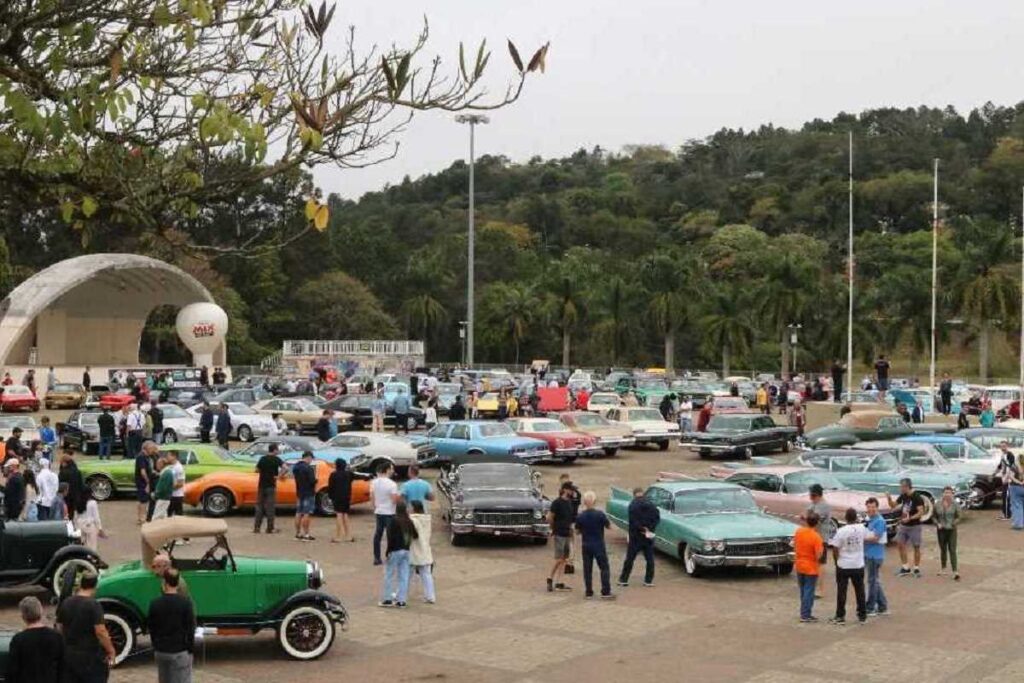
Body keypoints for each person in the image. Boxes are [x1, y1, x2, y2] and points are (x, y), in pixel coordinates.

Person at [56, 572, 117, 683]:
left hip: (70, 654)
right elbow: (101, 631)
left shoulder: (67, 602)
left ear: (81, 584)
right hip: (90, 656)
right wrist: (111, 650)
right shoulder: (93, 605)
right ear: (95, 586)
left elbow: (60, 627)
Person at [147, 568, 196, 683]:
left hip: (161, 651)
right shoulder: (186, 603)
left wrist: (156, 645)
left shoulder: (155, 603)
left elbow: (151, 627)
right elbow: (190, 628)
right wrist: (190, 648)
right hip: (180, 650)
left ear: (164, 582)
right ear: (178, 583)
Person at [6, 595, 63, 683]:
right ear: (41, 612)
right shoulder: (56, 637)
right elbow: (63, 667)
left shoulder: (18, 640)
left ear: (23, 616)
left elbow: (12, 671)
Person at [828, 507, 868, 625]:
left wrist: (837, 561)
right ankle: (862, 615)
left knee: (842, 591)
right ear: (856, 518)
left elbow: (835, 548)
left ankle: (840, 616)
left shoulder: (841, 531)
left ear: (845, 518)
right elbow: (866, 538)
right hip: (858, 564)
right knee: (860, 590)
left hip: (844, 564)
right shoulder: (862, 529)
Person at [574, 490, 615, 600]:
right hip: (598, 544)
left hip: (586, 544)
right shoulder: (600, 515)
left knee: (587, 569)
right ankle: (605, 591)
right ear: (594, 501)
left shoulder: (580, 516)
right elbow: (609, 527)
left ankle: (589, 591)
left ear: (584, 502)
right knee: (604, 568)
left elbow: (577, 532)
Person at [618, 487, 660, 587]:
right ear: (643, 493)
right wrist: (649, 528)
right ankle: (648, 580)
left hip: (636, 536)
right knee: (649, 558)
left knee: (630, 558)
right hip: (648, 536)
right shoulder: (652, 505)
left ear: (634, 494)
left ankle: (624, 579)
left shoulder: (633, 505)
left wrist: (641, 528)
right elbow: (657, 518)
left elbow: (633, 521)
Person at [379, 501, 417, 608]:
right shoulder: (409, 521)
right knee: (403, 576)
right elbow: (415, 535)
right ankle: (401, 600)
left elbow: (390, 538)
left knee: (389, 574)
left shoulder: (394, 521)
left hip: (395, 550)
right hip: (406, 550)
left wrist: (388, 551)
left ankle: (387, 599)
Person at [886, 478, 926, 577]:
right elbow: (892, 506)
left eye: (901, 486)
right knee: (900, 544)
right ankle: (905, 567)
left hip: (915, 526)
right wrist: (889, 498)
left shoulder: (917, 497)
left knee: (916, 546)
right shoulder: (903, 496)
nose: (900, 488)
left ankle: (916, 568)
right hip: (904, 525)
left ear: (906, 486)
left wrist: (911, 518)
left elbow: (921, 512)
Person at [794, 511, 824, 623]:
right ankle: (806, 614)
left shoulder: (799, 532)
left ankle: (804, 612)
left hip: (799, 565)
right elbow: (818, 555)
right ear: (817, 524)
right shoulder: (816, 537)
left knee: (803, 590)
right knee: (809, 592)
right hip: (811, 567)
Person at [547, 483, 575, 592]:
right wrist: (552, 528)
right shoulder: (557, 503)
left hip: (567, 533)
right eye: (571, 490)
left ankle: (559, 581)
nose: (572, 492)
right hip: (559, 533)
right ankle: (550, 577)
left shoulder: (569, 503)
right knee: (559, 558)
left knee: (564, 558)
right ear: (565, 490)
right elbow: (550, 517)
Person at [863, 497, 889, 617]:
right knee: (874, 581)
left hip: (875, 555)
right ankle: (882, 606)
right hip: (869, 554)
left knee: (872, 581)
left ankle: (871, 607)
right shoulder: (871, 520)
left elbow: (876, 538)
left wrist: (862, 538)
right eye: (869, 507)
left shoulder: (879, 521)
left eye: (873, 507)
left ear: (877, 507)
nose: (871, 509)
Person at [806, 484, 832, 597]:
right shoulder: (814, 504)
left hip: (821, 539)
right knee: (813, 562)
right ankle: (813, 586)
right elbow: (808, 515)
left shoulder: (823, 506)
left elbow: (813, 521)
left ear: (816, 494)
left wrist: (808, 517)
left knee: (820, 563)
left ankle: (819, 590)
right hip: (813, 537)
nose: (809, 497)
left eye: (811, 494)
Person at [371, 462, 399, 565]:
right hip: (390, 512)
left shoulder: (374, 482)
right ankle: (390, 555)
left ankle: (377, 557)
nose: (392, 471)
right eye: (391, 469)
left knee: (378, 535)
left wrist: (376, 507)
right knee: (390, 535)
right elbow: (394, 500)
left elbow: (372, 498)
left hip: (379, 511)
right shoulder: (392, 484)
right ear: (387, 470)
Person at [409, 499, 435, 604]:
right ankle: (430, 596)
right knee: (426, 574)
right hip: (425, 549)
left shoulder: (413, 520)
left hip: (414, 550)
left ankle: (401, 595)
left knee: (407, 574)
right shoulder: (427, 519)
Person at [254, 443, 285, 534]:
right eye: (277, 449)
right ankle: (270, 528)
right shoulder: (276, 459)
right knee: (270, 507)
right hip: (271, 486)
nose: (278, 451)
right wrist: (279, 476)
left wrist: (263, 471)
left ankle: (257, 527)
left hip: (261, 485)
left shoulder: (262, 459)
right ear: (274, 450)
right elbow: (285, 468)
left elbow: (256, 470)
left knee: (259, 506)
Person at [934, 485, 962, 580]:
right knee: (943, 549)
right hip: (941, 530)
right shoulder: (938, 504)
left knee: (952, 549)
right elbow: (933, 516)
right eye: (946, 493)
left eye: (949, 493)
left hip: (952, 530)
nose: (947, 495)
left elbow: (959, 516)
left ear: (952, 494)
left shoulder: (955, 504)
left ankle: (955, 571)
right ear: (943, 493)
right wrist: (937, 523)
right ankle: (943, 568)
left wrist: (955, 522)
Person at [292, 450, 317, 541]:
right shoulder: (308, 468)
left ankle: (298, 533)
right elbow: (312, 481)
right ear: (308, 457)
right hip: (308, 493)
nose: (311, 460)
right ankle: (306, 534)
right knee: (306, 513)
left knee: (298, 513)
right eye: (311, 458)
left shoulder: (296, 467)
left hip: (299, 492)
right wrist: (316, 481)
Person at [328, 458, 354, 543]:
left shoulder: (333, 474)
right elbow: (357, 476)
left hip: (337, 497)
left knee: (339, 515)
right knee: (345, 515)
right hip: (346, 497)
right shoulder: (348, 474)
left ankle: (338, 536)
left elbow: (330, 487)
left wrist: (331, 497)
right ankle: (348, 535)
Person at [59, 446, 85, 520]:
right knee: (71, 513)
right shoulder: (77, 471)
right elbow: (81, 485)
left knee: (65, 513)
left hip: (66, 496)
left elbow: (60, 484)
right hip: (75, 496)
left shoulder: (63, 472)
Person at [134, 441, 155, 525]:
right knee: (143, 500)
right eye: (151, 449)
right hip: (142, 482)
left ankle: (140, 517)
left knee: (141, 500)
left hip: (142, 481)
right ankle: (142, 518)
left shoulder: (146, 457)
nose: (152, 451)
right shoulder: (141, 457)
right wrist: (148, 482)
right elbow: (143, 472)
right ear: (147, 448)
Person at [151, 456, 175, 521]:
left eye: (158, 464)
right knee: (163, 516)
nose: (156, 465)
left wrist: (156, 494)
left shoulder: (166, 473)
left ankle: (153, 529)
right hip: (164, 497)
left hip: (163, 498)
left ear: (162, 464)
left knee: (156, 516)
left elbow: (163, 487)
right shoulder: (166, 472)